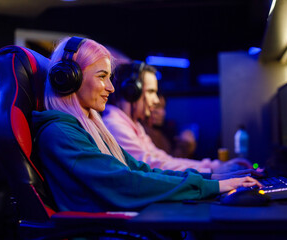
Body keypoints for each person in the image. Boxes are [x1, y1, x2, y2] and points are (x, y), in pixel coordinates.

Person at [32, 36, 262, 212]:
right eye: (102, 77)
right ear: (69, 77)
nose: (111, 88)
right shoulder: (60, 133)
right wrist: (213, 185)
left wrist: (211, 179)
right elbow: (123, 183)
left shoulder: (87, 128)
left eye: (110, 78)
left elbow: (141, 169)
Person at [103, 61, 255, 174]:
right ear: (131, 92)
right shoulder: (115, 126)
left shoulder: (133, 126)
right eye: (150, 92)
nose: (156, 100)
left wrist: (214, 166)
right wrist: (212, 172)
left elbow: (164, 160)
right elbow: (152, 166)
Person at [142, 93, 197, 159]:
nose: (162, 113)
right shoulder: (143, 132)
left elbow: (169, 159)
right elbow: (163, 162)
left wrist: (184, 144)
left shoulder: (164, 130)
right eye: (156, 106)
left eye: (163, 107)